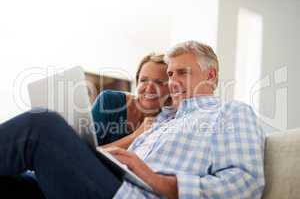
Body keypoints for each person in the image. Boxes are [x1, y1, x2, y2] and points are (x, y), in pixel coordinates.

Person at [0, 41, 265, 199]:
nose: (172, 82)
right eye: (170, 74)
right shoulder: (163, 120)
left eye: (180, 73)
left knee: (41, 126)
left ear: (211, 74)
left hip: (134, 196)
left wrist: (158, 181)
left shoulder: (232, 112)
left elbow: (245, 183)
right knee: (14, 179)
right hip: (115, 185)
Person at [92, 53, 171, 148]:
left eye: (159, 82)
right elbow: (83, 152)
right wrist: (136, 136)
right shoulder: (108, 101)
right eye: (143, 80)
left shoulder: (169, 119)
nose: (149, 88)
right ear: (137, 83)